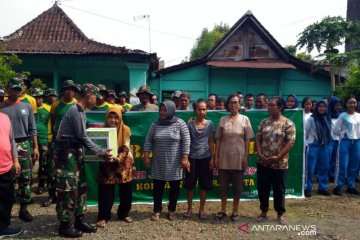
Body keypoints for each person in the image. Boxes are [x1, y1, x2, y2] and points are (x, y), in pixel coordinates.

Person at [54, 83, 113, 238]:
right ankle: (65, 225)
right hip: (67, 154)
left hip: (75, 153)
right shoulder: (75, 111)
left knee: (81, 187)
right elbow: (82, 136)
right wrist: (101, 152)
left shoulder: (81, 110)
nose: (96, 101)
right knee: (68, 189)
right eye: (95, 97)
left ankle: (79, 220)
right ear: (88, 95)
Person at [143, 100, 190, 221]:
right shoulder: (155, 124)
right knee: (157, 189)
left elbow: (186, 141)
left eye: (165, 110)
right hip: (159, 162)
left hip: (175, 163)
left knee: (174, 189)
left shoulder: (180, 123)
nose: (162, 112)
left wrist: (185, 158)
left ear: (171, 110)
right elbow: (148, 140)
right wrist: (146, 156)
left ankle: (171, 210)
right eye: (161, 110)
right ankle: (157, 210)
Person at [0, 78, 39, 222]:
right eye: (13, 88)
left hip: (24, 145)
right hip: (5, 146)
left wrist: (35, 147)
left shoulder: (27, 106)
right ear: (7, 89)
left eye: (19, 88)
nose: (16, 91)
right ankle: (6, 210)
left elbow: (32, 128)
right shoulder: (2, 106)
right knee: (7, 179)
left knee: (25, 178)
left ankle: (24, 208)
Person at [255, 96, 296, 225]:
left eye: (272, 105)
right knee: (263, 188)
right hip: (263, 162)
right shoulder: (264, 122)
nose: (269, 107)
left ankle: (280, 214)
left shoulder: (288, 123)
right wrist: (260, 154)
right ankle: (264, 212)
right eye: (268, 105)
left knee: (279, 189)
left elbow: (290, 142)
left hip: (280, 163)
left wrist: (277, 157)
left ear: (280, 107)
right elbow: (258, 139)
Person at [215, 93, 254, 221]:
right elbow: (218, 140)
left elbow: (247, 140)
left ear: (239, 104)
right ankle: (223, 209)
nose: (233, 105)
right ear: (228, 104)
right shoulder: (222, 119)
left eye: (236, 102)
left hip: (239, 157)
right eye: (231, 102)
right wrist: (216, 157)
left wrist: (246, 157)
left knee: (238, 187)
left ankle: (235, 210)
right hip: (224, 157)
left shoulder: (245, 119)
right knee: (223, 186)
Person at [96, 107, 135, 228]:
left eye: (116, 117)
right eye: (110, 117)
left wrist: (117, 159)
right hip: (107, 164)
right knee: (105, 192)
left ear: (120, 118)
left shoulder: (126, 129)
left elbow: (126, 148)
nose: (113, 120)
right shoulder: (101, 131)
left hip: (124, 165)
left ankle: (123, 214)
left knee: (126, 191)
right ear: (106, 118)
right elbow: (97, 147)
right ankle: (103, 216)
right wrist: (105, 156)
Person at [43, 80, 77, 208]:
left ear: (74, 92)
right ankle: (52, 195)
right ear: (63, 91)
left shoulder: (77, 105)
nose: (69, 91)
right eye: (67, 89)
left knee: (71, 170)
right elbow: (52, 122)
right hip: (57, 142)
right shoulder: (56, 105)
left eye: (72, 89)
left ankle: (71, 193)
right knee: (52, 169)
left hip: (72, 143)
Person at [183, 99, 214, 220]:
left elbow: (211, 141)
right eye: (199, 109)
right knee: (190, 185)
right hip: (192, 159)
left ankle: (202, 209)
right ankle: (189, 209)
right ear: (195, 110)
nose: (202, 111)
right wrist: (187, 159)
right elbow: (186, 142)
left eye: (204, 109)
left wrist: (212, 158)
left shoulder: (210, 124)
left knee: (204, 185)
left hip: (206, 158)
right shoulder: (189, 125)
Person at [0, 111, 23, 239]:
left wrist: (16, 160)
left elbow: (11, 140)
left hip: (6, 165)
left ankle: (3, 227)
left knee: (7, 198)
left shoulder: (5, 118)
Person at [332, 96, 360, 196]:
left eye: (354, 102)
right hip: (345, 141)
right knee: (342, 165)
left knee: (354, 165)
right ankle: (337, 186)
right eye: (350, 103)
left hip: (357, 142)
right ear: (346, 104)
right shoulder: (342, 116)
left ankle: (350, 186)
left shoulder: (358, 116)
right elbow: (335, 130)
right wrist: (343, 135)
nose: (352, 105)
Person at [304, 100, 332, 197]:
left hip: (325, 147)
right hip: (313, 147)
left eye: (324, 107)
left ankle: (322, 187)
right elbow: (305, 134)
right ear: (316, 108)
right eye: (320, 106)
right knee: (310, 168)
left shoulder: (328, 119)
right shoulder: (311, 119)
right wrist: (308, 144)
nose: (322, 108)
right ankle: (307, 188)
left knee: (324, 167)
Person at [32, 88, 51, 195]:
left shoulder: (48, 108)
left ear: (42, 98)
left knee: (44, 163)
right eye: (35, 98)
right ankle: (27, 186)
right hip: (31, 139)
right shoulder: (30, 108)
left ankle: (41, 184)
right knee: (31, 162)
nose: (37, 100)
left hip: (44, 139)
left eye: (39, 98)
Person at [327, 96, 342, 182]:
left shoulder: (340, 115)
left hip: (338, 140)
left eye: (339, 105)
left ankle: (332, 175)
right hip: (329, 140)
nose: (338, 107)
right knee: (327, 158)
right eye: (336, 105)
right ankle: (326, 174)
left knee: (335, 159)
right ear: (332, 105)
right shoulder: (327, 114)